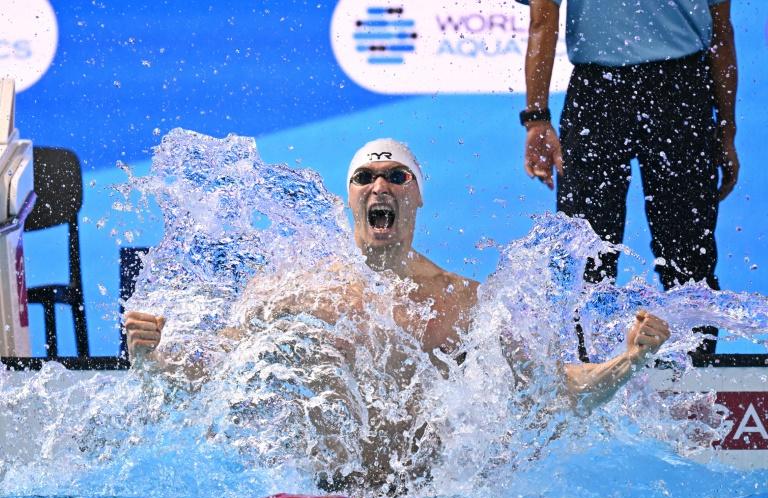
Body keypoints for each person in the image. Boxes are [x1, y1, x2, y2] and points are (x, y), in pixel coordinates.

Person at [125, 137, 670, 408]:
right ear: (349, 198)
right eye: (365, 176)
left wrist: (628, 358)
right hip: (323, 495)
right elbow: (216, 368)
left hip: (433, 494)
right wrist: (155, 358)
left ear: (418, 196)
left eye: (396, 176)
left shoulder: (465, 302)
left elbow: (556, 391)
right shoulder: (293, 290)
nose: (379, 186)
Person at [518, 0, 738, 355]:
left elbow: (543, 18)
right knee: (688, 262)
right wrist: (726, 130)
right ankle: (697, 388)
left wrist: (538, 118)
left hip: (600, 92)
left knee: (585, 260)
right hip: (680, 92)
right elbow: (720, 31)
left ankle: (585, 389)